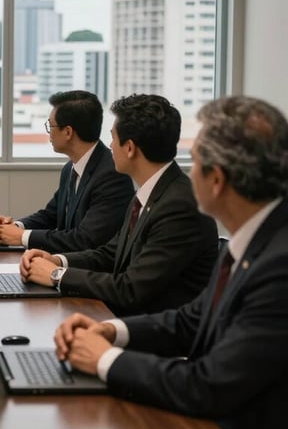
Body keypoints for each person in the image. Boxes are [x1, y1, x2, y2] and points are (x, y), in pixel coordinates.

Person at [53, 96, 288, 429]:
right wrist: (113, 332)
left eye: (194, 162)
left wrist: (105, 359)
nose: (186, 171)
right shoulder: (252, 239)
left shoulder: (278, 266)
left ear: (217, 180)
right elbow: (190, 319)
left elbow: (208, 386)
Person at [20, 94, 219, 316]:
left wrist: (56, 275)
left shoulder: (179, 205)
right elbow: (110, 254)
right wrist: (57, 260)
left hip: (154, 333)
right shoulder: (150, 192)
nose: (110, 146)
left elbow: (130, 288)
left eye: (113, 138)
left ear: (130, 148)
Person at [0, 90, 134, 251]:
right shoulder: (70, 168)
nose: (49, 132)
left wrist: (21, 237)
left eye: (50, 125)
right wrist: (13, 227)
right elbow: (50, 215)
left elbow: (86, 239)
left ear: (68, 132)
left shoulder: (112, 175)